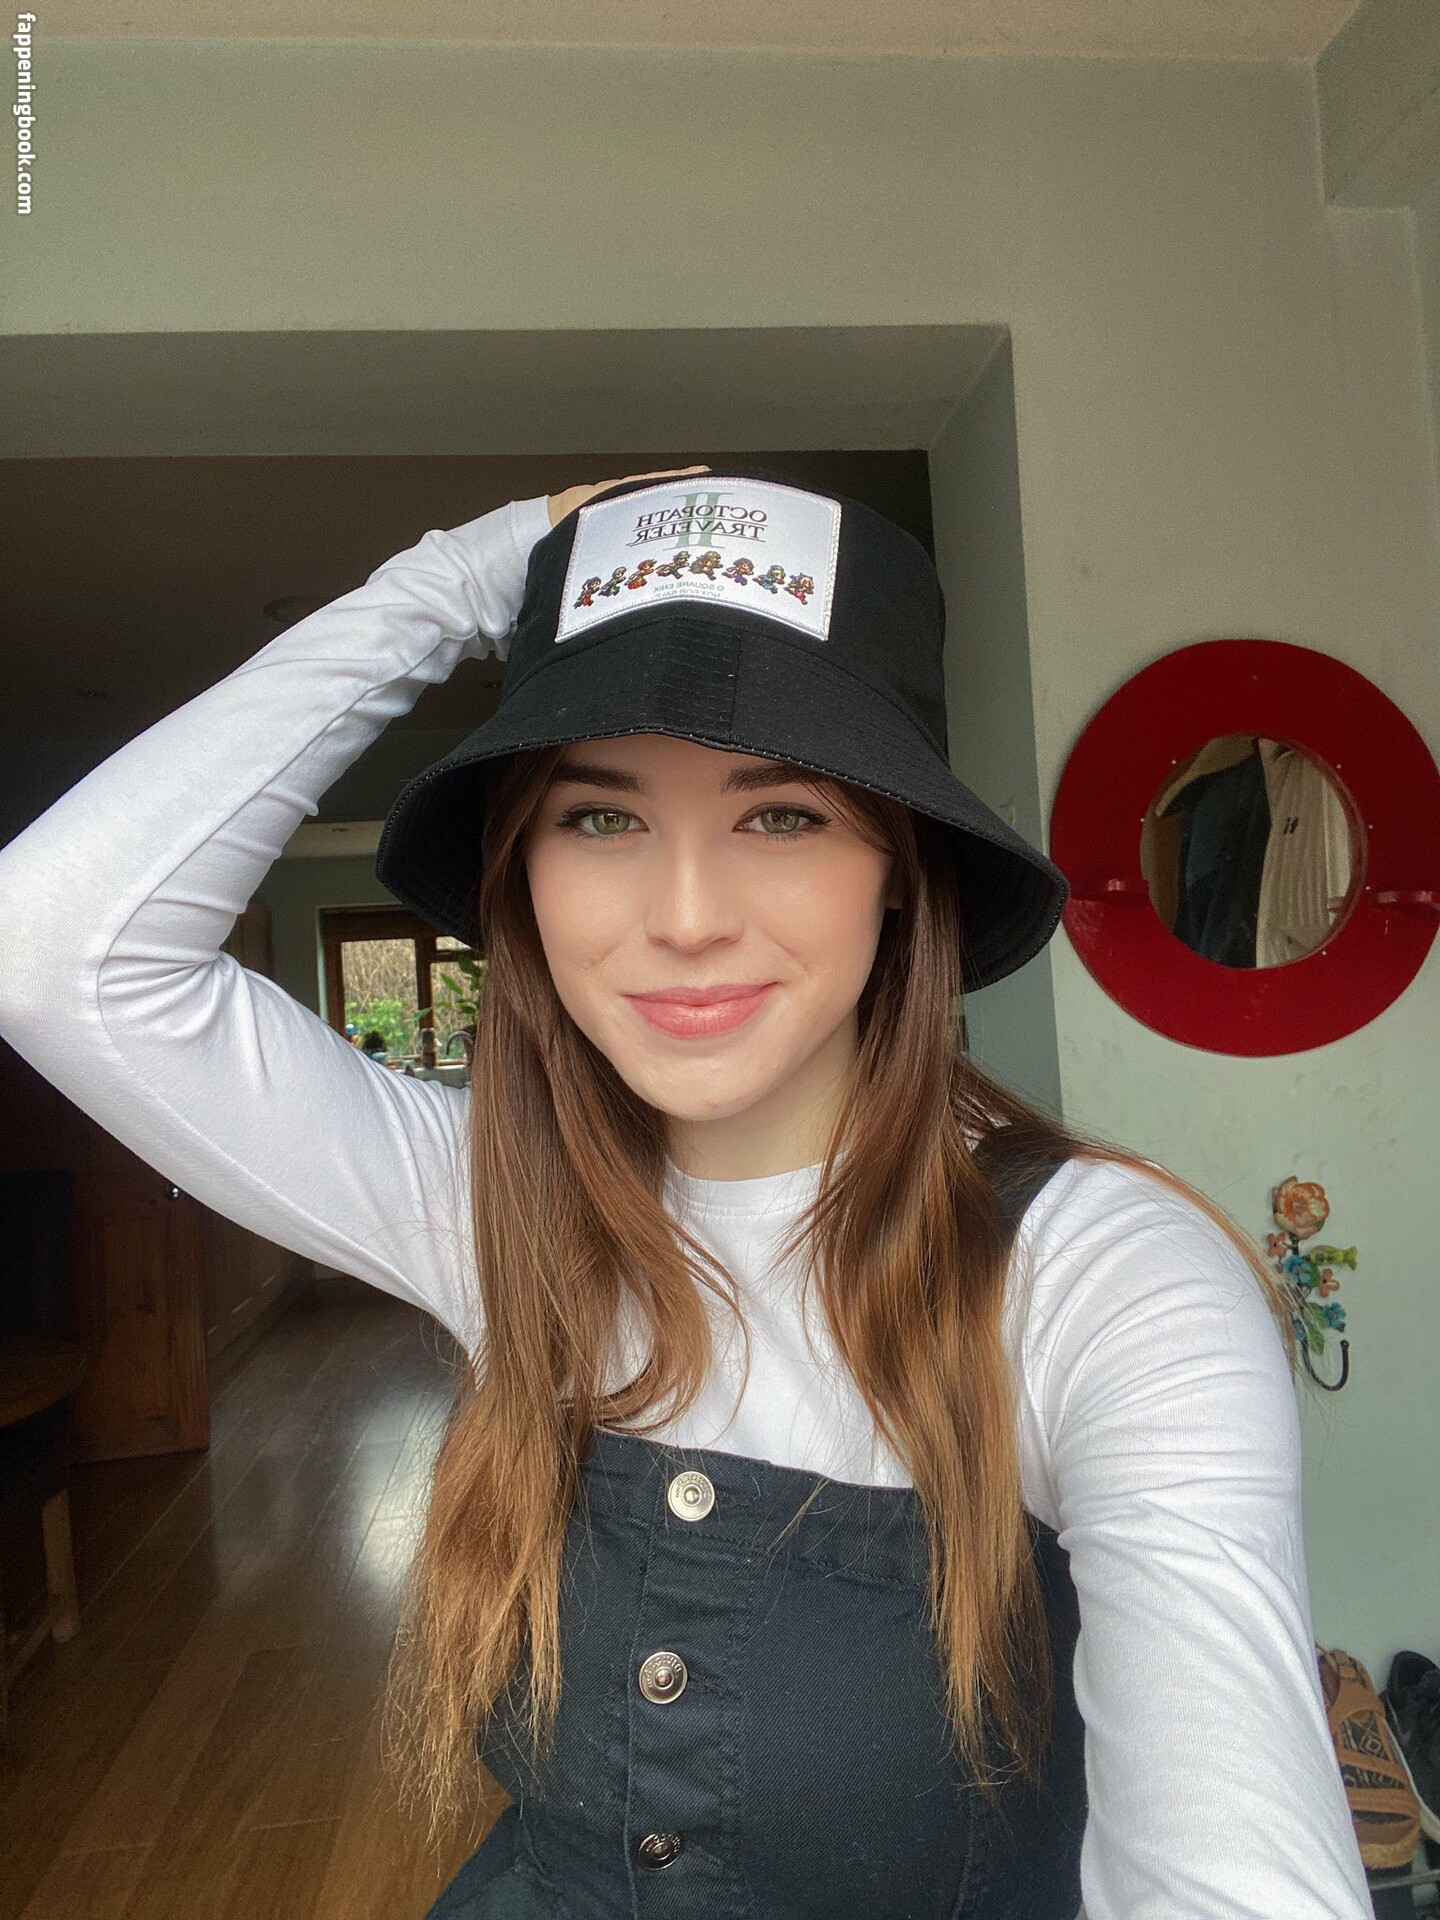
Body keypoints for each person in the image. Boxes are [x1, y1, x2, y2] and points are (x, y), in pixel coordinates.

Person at [0, 465, 1373, 1919]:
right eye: (601, 821)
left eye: (782, 816)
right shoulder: (495, 1209)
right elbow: (52, 951)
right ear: (521, 872)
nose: (687, 917)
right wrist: (465, 578)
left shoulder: (1107, 1285)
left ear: (898, 869)